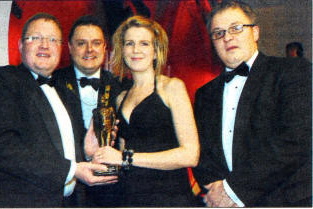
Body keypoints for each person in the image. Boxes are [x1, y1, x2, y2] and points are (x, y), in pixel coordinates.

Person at [0, 13, 117, 208]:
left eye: (52, 40)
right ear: (21, 46)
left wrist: (86, 150)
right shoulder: (1, 79)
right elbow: (2, 147)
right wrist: (72, 169)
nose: (44, 45)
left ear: (60, 48)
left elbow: (64, 151)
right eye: (35, 38)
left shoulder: (66, 93)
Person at [192, 1, 311, 207]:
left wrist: (232, 191)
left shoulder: (293, 71)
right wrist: (217, 191)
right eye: (218, 33)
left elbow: (296, 141)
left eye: (236, 28)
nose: (227, 37)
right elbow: (201, 153)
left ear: (255, 32)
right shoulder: (204, 94)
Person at [88, 15, 200, 207]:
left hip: (170, 199)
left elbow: (190, 155)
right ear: (122, 50)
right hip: (130, 198)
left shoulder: (172, 87)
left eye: (144, 43)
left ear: (156, 52)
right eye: (130, 43)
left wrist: (125, 158)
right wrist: (96, 153)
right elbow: (120, 158)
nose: (136, 50)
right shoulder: (120, 98)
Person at [53, 15, 122, 207]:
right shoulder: (52, 83)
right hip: (66, 188)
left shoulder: (121, 87)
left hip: (111, 191)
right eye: (81, 43)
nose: (89, 50)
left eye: (96, 43)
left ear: (104, 47)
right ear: (70, 47)